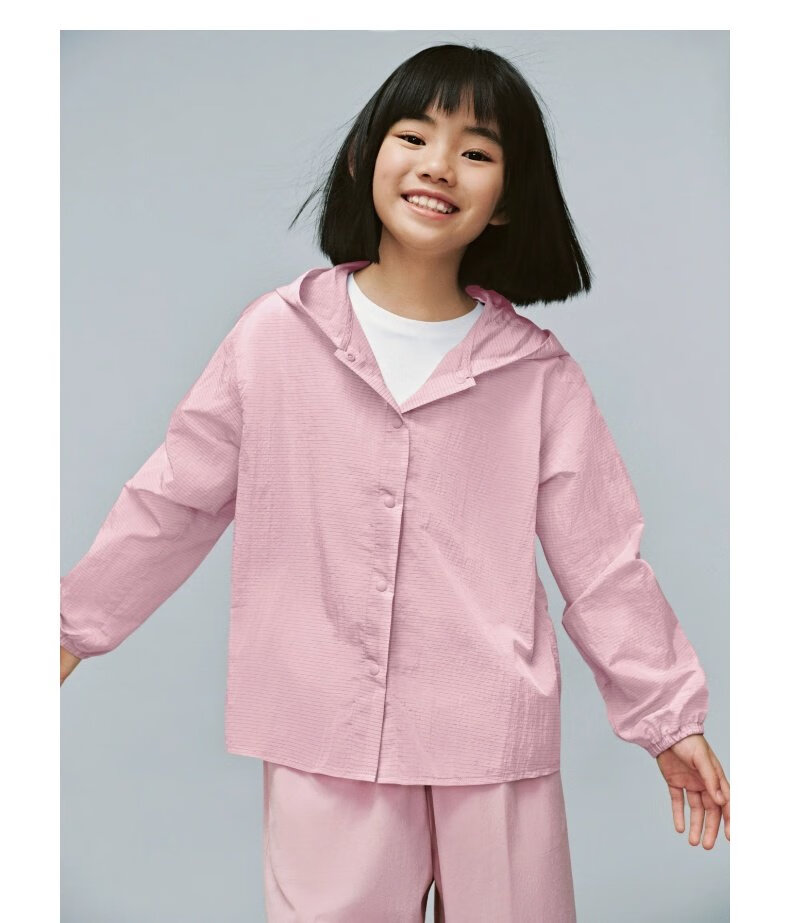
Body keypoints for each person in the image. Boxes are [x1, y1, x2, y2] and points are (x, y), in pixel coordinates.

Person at [61, 43, 730, 922]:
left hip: (491, 734)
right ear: (362, 156)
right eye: (414, 135)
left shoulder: (537, 374)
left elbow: (603, 562)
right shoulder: (276, 337)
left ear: (506, 199)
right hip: (321, 727)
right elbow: (176, 497)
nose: (439, 165)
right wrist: (67, 627)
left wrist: (668, 717)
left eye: (477, 151)